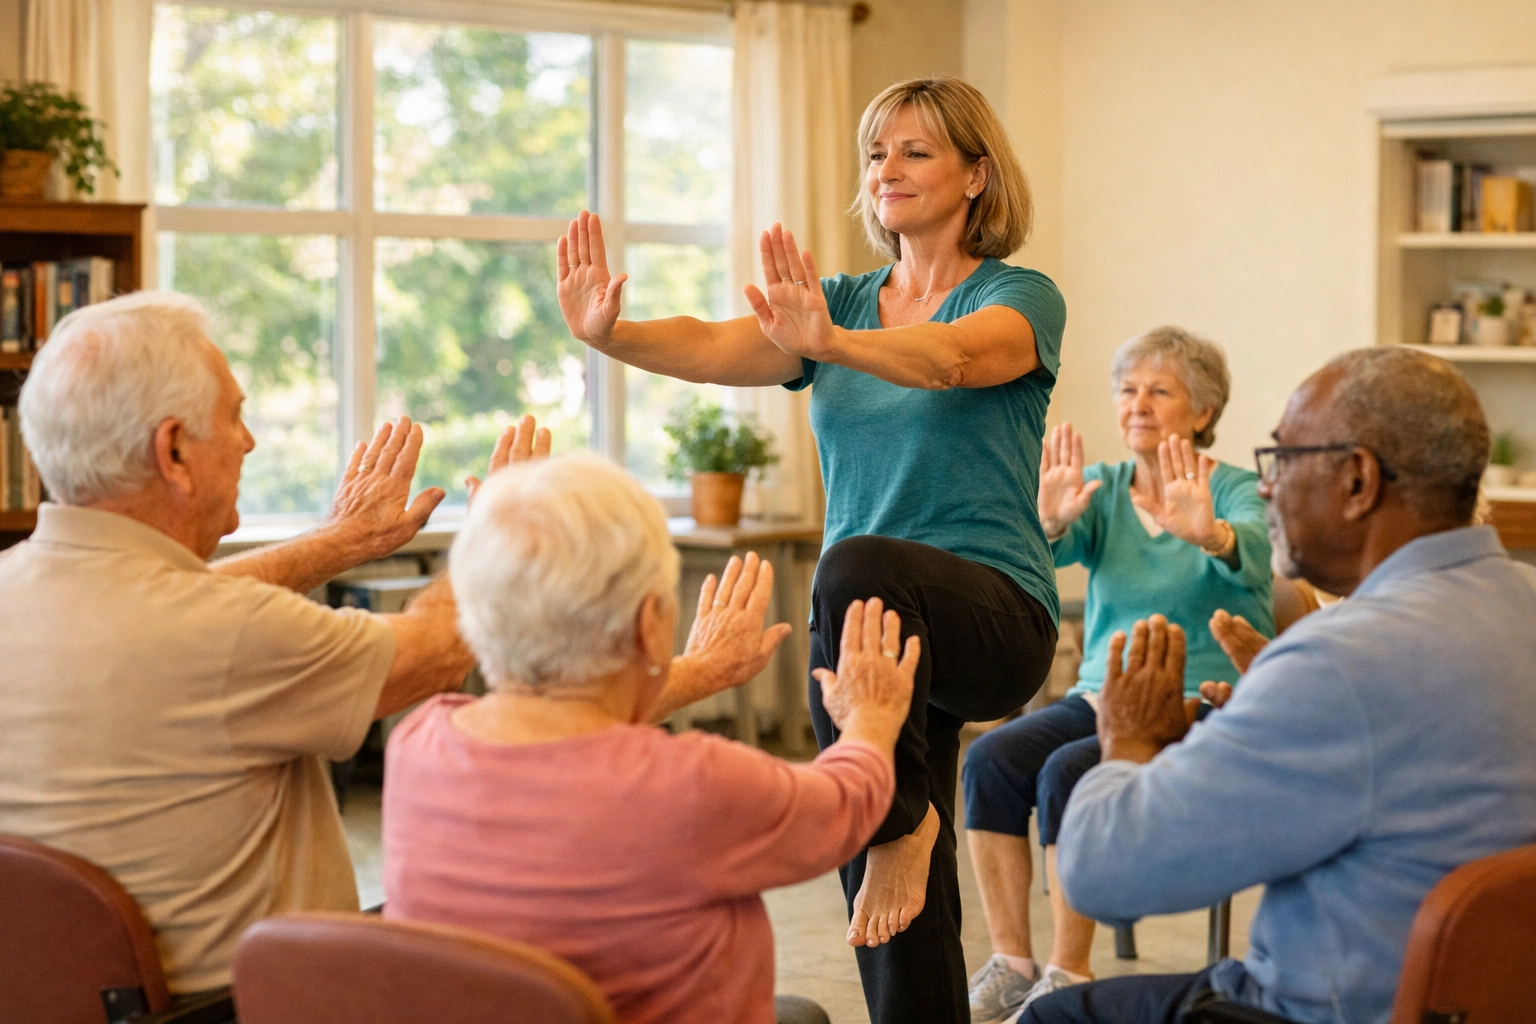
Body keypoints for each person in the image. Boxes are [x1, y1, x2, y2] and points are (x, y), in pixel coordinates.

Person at [556, 76, 1065, 1024]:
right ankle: (899, 844)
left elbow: (953, 358)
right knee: (887, 867)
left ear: (977, 175)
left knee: (856, 566)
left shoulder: (1020, 295)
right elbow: (714, 343)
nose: (888, 170)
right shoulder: (833, 304)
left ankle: (900, 817)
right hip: (875, 632)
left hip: (993, 616)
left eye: (915, 151)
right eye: (877, 153)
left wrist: (832, 342)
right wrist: (610, 333)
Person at [1024, 347, 1536, 1024]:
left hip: (1318, 1012)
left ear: (1357, 480)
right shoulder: (1517, 604)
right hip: (1488, 1002)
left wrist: (1130, 740)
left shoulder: (1339, 662)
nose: (1265, 488)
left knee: (1051, 1017)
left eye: (1283, 460)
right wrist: (1274, 705)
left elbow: (1102, 875)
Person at [382, 452, 917, 1024]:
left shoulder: (419, 742)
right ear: (650, 623)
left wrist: (703, 669)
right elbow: (844, 805)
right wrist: (871, 720)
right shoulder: (689, 784)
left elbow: (564, 724)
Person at [962, 326, 1273, 1022]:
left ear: (1203, 410)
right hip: (1103, 695)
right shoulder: (1100, 488)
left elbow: (1254, 556)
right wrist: (1042, 525)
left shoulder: (1238, 489)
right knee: (990, 760)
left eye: (1160, 390)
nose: (1138, 404)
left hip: (1202, 701)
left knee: (1066, 772)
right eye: (1128, 390)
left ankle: (1066, 970)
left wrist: (1211, 534)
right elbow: (1053, 552)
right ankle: (1012, 963)